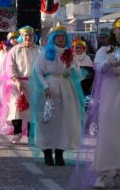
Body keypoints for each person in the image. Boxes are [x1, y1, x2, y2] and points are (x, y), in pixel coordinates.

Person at [84, 17, 120, 189]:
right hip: (111, 93)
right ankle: (104, 172)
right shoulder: (105, 50)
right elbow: (98, 67)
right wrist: (109, 62)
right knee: (109, 132)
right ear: (114, 31)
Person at [30, 25, 84, 166]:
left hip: (66, 89)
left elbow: (77, 73)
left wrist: (72, 68)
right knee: (48, 120)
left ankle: (60, 153)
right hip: (49, 89)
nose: (60, 39)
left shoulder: (69, 54)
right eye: (58, 37)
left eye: (63, 37)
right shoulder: (45, 54)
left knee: (64, 121)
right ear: (53, 39)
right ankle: (48, 152)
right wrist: (45, 86)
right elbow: (37, 71)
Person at [3, 26, 39, 143]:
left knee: (32, 110)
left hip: (34, 83)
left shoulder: (40, 50)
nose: (28, 37)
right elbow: (10, 66)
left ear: (34, 37)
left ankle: (31, 135)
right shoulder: (15, 50)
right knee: (16, 108)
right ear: (22, 37)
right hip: (17, 83)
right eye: (25, 35)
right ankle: (17, 133)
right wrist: (16, 79)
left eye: (30, 35)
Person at [0, 31, 19, 134]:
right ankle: (6, 124)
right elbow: (0, 66)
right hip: (5, 81)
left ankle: (17, 126)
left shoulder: (20, 50)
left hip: (17, 81)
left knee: (15, 104)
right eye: (12, 38)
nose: (14, 40)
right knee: (4, 103)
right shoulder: (3, 51)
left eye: (16, 37)